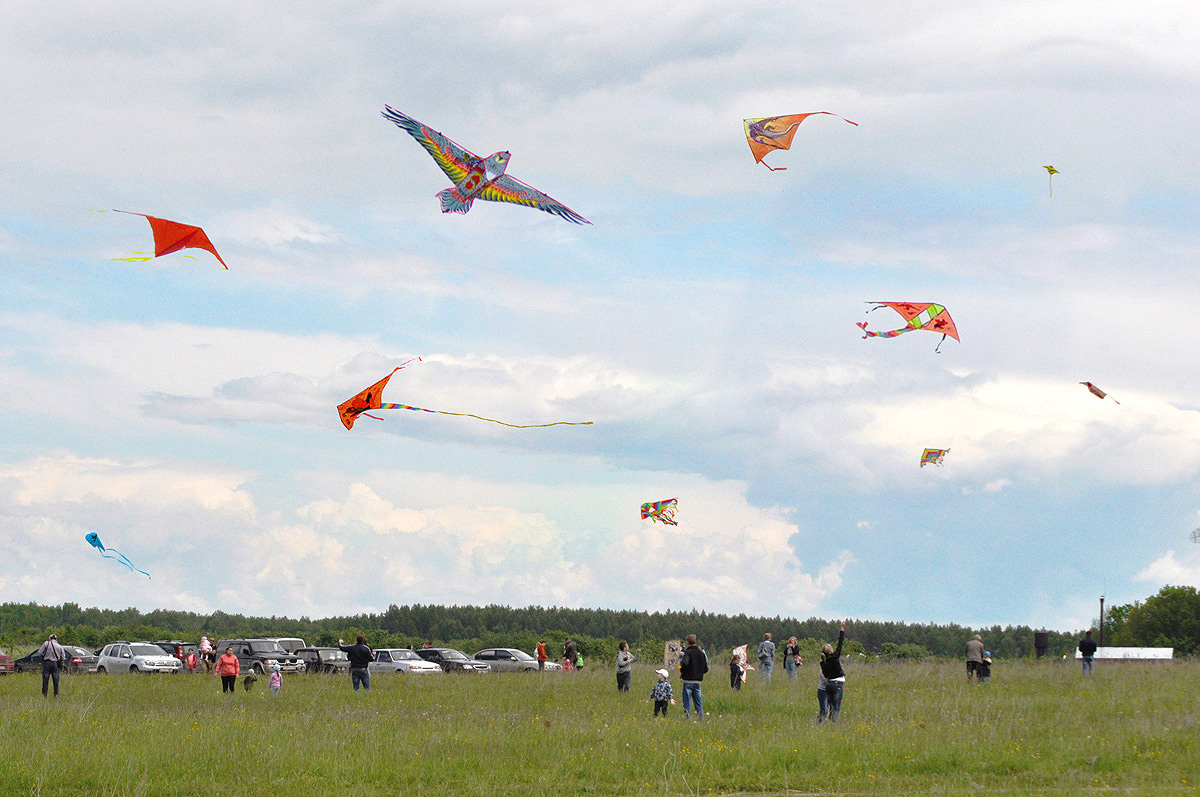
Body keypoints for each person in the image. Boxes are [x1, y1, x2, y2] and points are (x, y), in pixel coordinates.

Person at [818, 620, 847, 723]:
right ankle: (833, 724)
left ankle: (826, 722)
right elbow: (840, 643)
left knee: (831, 706)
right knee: (836, 707)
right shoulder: (835, 657)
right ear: (830, 650)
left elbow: (825, 675)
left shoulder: (823, 663)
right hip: (838, 685)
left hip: (829, 685)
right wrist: (842, 630)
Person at [678, 634, 708, 719]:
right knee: (698, 702)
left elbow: (685, 664)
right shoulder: (701, 654)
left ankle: (688, 718)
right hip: (698, 681)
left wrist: (682, 671)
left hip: (688, 680)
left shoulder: (688, 653)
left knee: (687, 702)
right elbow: (705, 669)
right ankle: (700, 717)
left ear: (688, 642)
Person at [37, 633, 67, 698]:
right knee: (56, 681)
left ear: (49, 638)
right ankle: (56, 695)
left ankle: (44, 695)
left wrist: (43, 657)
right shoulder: (59, 646)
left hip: (47, 663)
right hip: (55, 664)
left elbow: (39, 652)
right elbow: (63, 657)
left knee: (45, 680)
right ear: (56, 639)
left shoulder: (46, 644)